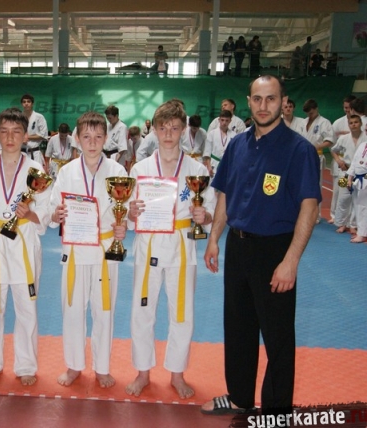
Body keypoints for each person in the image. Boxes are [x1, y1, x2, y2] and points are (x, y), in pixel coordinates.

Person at [201, 75, 320, 416]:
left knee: (277, 336)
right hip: (238, 247)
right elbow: (225, 195)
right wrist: (214, 239)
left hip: (275, 250)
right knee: (238, 328)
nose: (263, 106)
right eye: (257, 98)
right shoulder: (237, 145)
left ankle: (276, 411)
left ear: (283, 102)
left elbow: (309, 207)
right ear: (249, 102)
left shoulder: (299, 150)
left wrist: (291, 261)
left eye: (271, 99)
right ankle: (239, 396)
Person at [125, 100, 214, 400]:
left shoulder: (196, 169)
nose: (168, 134)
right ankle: (143, 372)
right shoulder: (140, 168)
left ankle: (177, 373)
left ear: (183, 130)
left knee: (182, 312)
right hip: (149, 243)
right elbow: (128, 210)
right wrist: (131, 212)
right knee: (142, 310)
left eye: (175, 128)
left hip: (182, 245)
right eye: (163, 128)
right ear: (154, 129)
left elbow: (210, 208)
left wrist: (204, 216)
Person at [48, 111, 127, 388]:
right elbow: (52, 210)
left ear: (106, 138)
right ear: (77, 139)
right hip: (75, 249)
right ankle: (74, 365)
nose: (92, 143)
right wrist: (56, 214)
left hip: (105, 249)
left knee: (104, 310)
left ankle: (102, 367)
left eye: (98, 136)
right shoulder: (67, 172)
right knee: (72, 309)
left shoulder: (117, 172)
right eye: (86, 137)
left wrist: (123, 225)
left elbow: (125, 210)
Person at [0, 107, 51, 388]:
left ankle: (26, 365)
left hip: (24, 243)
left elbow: (45, 210)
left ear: (25, 137)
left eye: (16, 132)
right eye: (5, 132)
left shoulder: (36, 170)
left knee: (26, 308)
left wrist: (30, 214)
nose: (10, 138)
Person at [295, 99, 334, 222]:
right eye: (307, 113)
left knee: (315, 186)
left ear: (316, 109)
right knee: (301, 185)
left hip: (317, 156)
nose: (309, 115)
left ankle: (316, 215)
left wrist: (316, 147)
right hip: (302, 157)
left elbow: (330, 140)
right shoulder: (303, 122)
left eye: (311, 113)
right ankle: (302, 213)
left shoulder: (324, 122)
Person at [332, 115, 364, 236]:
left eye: (356, 122)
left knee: (358, 199)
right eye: (351, 123)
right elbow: (334, 150)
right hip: (345, 172)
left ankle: (353, 225)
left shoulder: (365, 139)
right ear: (349, 125)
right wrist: (339, 161)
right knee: (343, 198)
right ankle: (341, 223)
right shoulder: (344, 138)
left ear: (360, 124)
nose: (353, 125)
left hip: (361, 173)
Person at [204, 110, 236, 177]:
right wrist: (209, 167)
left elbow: (235, 153)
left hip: (228, 165)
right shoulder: (212, 134)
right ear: (219, 120)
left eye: (227, 120)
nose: (224, 123)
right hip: (213, 164)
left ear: (230, 121)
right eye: (222, 120)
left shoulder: (234, 135)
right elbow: (207, 152)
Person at [347, 137, 367, 243]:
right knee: (358, 207)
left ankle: (362, 234)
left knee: (363, 208)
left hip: (365, 179)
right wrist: (350, 178)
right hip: (357, 180)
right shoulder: (362, 145)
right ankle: (361, 232)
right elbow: (354, 163)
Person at [20, 94, 49, 167]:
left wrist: (27, 137)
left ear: (32, 103)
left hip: (34, 153)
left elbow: (43, 135)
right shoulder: (18, 117)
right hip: (21, 152)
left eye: (28, 101)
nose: (26, 104)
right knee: (22, 173)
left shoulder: (39, 117)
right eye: (24, 102)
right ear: (22, 104)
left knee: (36, 174)